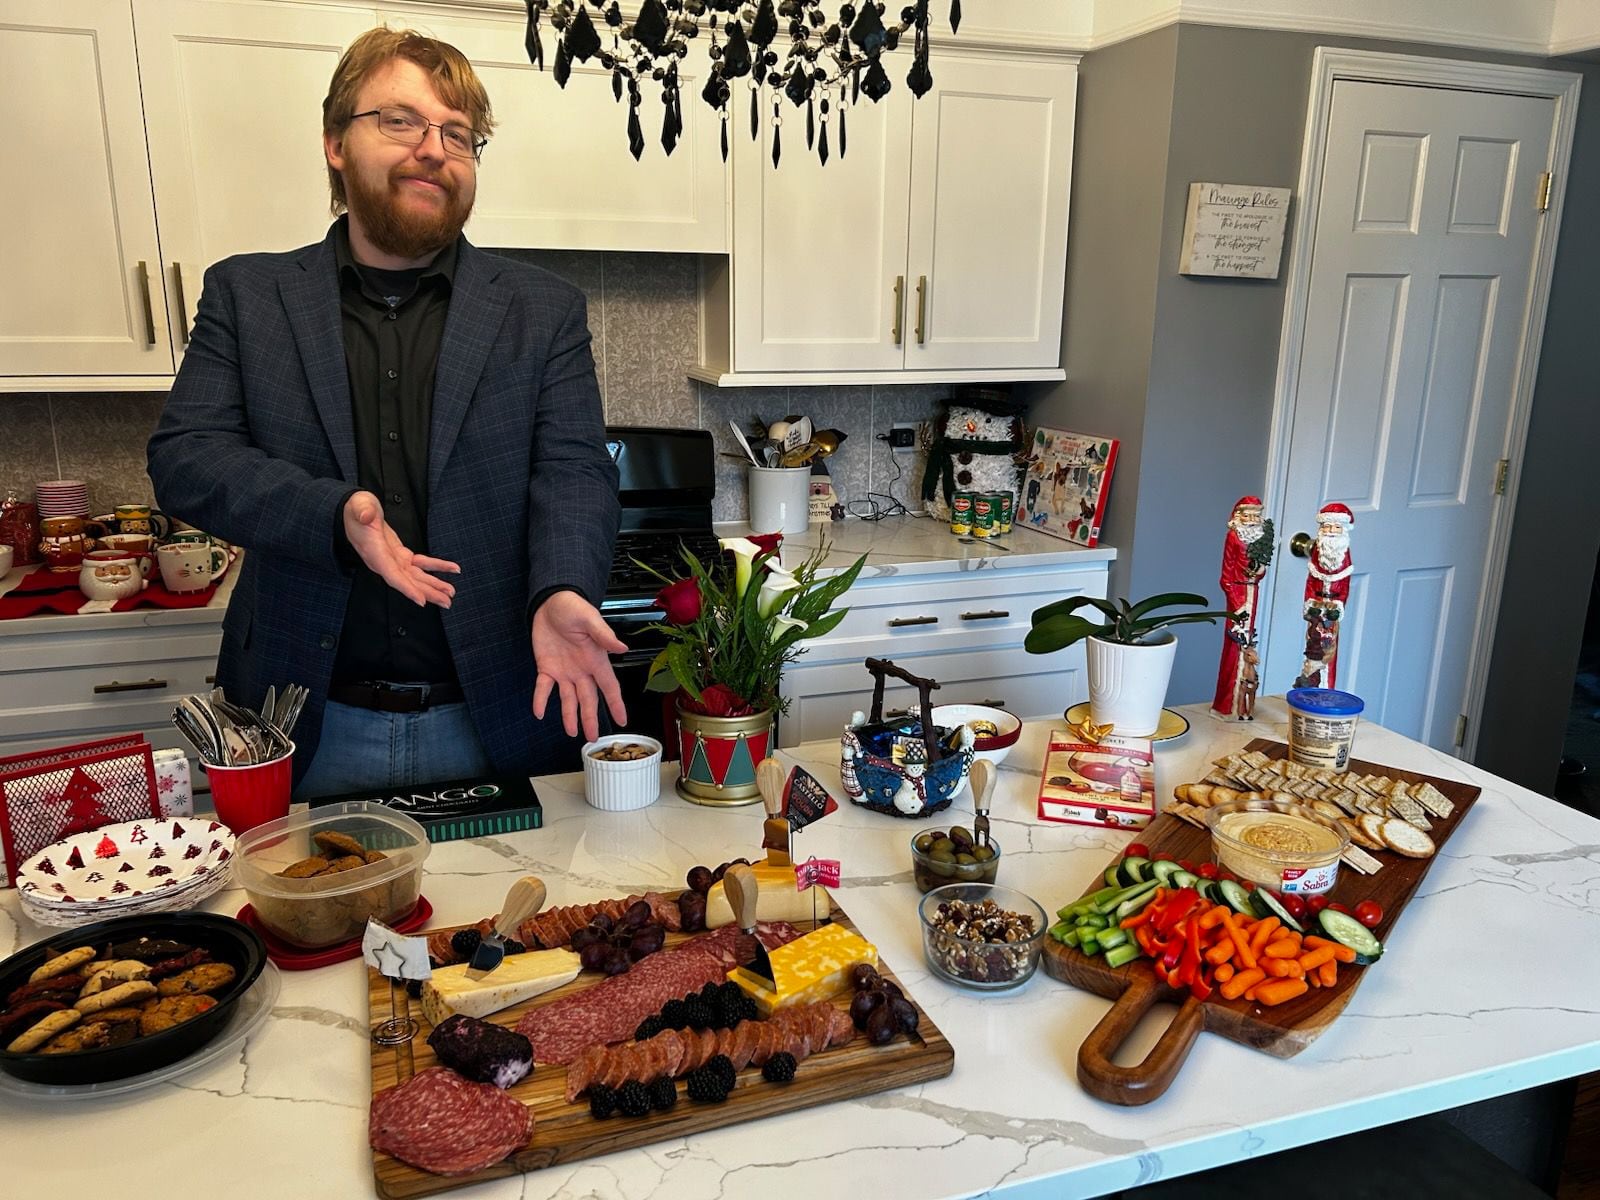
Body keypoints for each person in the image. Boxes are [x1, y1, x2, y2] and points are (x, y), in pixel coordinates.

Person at [147, 28, 626, 796]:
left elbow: (572, 470)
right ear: (337, 142)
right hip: (303, 723)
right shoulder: (249, 296)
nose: (434, 148)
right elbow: (186, 457)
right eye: (401, 121)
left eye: (459, 133)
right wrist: (335, 515)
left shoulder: (544, 311)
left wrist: (564, 586)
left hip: (498, 712)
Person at [1211, 495, 1273, 717]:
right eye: (1247, 515)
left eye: (1255, 515)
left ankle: (1243, 706)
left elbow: (1260, 573)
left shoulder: (1260, 540)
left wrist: (1259, 570)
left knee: (1248, 642)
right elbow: (1226, 575)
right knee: (1235, 644)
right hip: (1237, 592)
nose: (1251, 519)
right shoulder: (1233, 537)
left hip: (1252, 590)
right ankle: (1227, 704)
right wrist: (1237, 603)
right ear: (1238, 516)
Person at [1300, 502, 1356, 689]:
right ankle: (1309, 682)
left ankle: (1324, 687)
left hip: (1332, 606)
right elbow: (1310, 580)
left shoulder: (1343, 553)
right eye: (1327, 526)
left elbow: (1345, 585)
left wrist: (1338, 603)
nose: (1331, 531)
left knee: (1328, 645)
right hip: (1316, 603)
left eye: (1336, 527)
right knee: (1312, 643)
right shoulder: (1318, 551)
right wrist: (1309, 601)